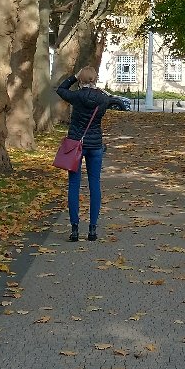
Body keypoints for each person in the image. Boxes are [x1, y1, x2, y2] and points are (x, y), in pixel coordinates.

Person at [56, 66, 130, 242]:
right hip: (95, 145)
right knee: (94, 184)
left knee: (74, 184)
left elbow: (60, 90)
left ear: (81, 80)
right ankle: (92, 230)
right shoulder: (103, 99)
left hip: (76, 144)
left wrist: (74, 77)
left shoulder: (76, 97)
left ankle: (74, 229)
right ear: (95, 80)